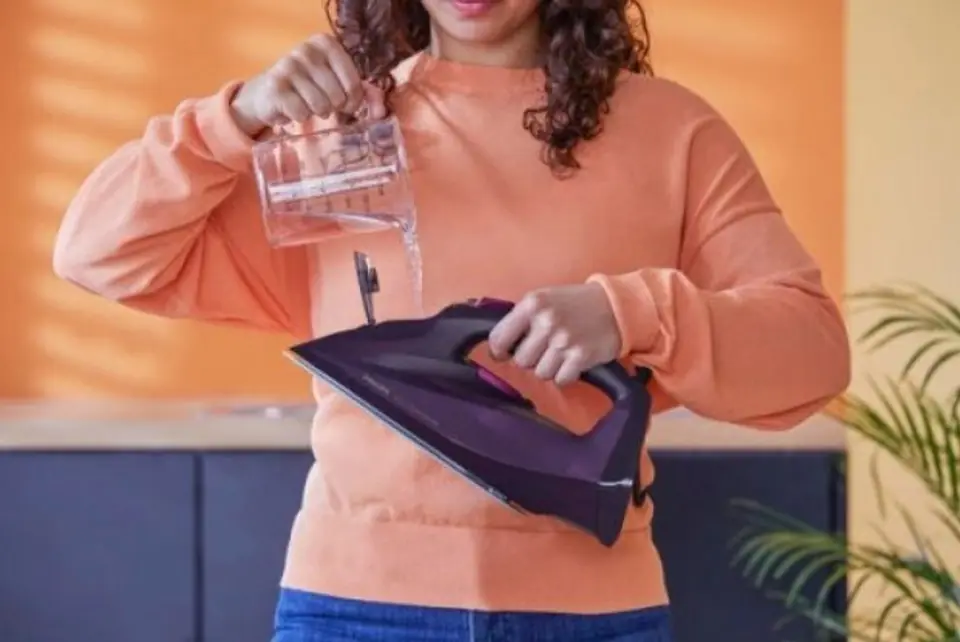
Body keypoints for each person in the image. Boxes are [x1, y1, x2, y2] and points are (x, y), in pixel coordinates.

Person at [52, 0, 852, 637]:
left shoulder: (673, 133)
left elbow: (814, 352)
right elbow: (98, 251)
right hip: (353, 609)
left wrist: (632, 312)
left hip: (593, 617)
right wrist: (233, 119)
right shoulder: (335, 137)